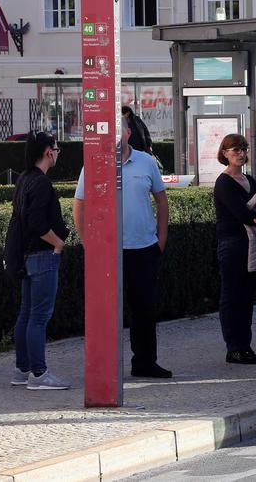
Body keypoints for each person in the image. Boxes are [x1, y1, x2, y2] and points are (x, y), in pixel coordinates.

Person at [73, 118, 171, 378]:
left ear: (128, 133)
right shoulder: (94, 161)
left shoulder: (146, 162)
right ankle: (106, 368)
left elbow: (162, 201)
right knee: (106, 312)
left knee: (145, 310)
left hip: (144, 249)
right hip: (107, 252)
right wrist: (88, 245)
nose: (116, 136)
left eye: (120, 130)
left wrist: (160, 240)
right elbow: (79, 205)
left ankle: (145, 363)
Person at [11, 132, 71, 390]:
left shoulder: (24, 179)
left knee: (26, 314)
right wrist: (57, 242)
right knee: (39, 317)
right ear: (48, 151)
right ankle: (39, 373)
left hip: (26, 256)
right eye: (56, 149)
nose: (57, 153)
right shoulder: (42, 184)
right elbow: (37, 223)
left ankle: (23, 369)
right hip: (42, 256)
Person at [213, 134, 256, 364]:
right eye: (235, 149)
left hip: (251, 243)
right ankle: (233, 347)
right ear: (225, 153)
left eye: (244, 149)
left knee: (246, 297)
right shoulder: (224, 182)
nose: (241, 153)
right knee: (231, 296)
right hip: (232, 243)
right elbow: (243, 213)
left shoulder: (250, 179)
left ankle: (245, 345)